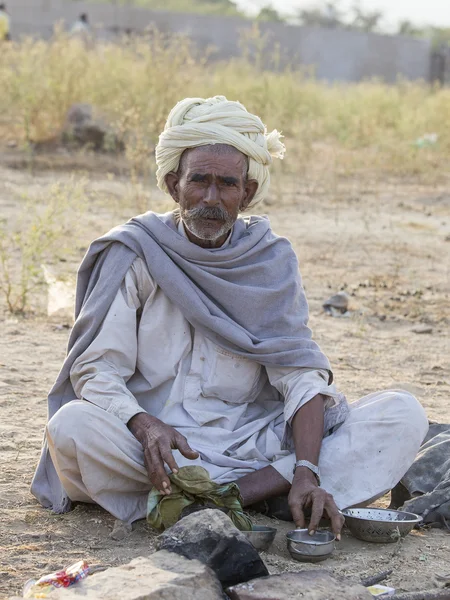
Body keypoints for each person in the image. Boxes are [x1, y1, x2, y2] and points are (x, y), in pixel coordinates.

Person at [31, 96, 428, 537]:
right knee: (71, 425)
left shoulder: (270, 260)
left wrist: (305, 468)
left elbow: (299, 374)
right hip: (160, 450)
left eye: (227, 184)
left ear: (248, 192)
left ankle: (235, 496)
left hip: (254, 443)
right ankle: (253, 497)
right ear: (172, 184)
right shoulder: (137, 252)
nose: (211, 198)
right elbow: (96, 367)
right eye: (198, 180)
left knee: (402, 413)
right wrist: (143, 425)